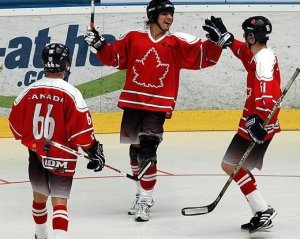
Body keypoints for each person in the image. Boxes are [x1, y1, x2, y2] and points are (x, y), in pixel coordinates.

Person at [84, 0, 231, 222]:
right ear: (153, 16)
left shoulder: (177, 42)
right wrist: (99, 45)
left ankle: (145, 200)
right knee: (134, 152)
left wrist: (216, 43)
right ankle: (139, 194)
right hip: (133, 102)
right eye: (164, 14)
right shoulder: (133, 37)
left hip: (158, 105)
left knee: (147, 151)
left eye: (171, 14)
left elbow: (203, 57)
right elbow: (115, 57)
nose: (169, 18)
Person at [8, 43, 105, 239]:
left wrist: (32, 140)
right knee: (59, 202)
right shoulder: (71, 93)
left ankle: (40, 234)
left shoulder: (29, 90)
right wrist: (92, 148)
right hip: (63, 155)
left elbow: (14, 125)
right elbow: (82, 133)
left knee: (39, 196)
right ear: (66, 64)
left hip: (36, 153)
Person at [203, 16, 281, 233]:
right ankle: (261, 211)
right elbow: (244, 55)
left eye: (246, 34)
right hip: (257, 122)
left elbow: (269, 93)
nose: (244, 39)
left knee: (230, 164)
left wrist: (258, 119)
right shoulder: (259, 56)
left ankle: (263, 209)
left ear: (251, 36)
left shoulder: (264, 59)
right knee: (235, 165)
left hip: (258, 124)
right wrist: (228, 41)